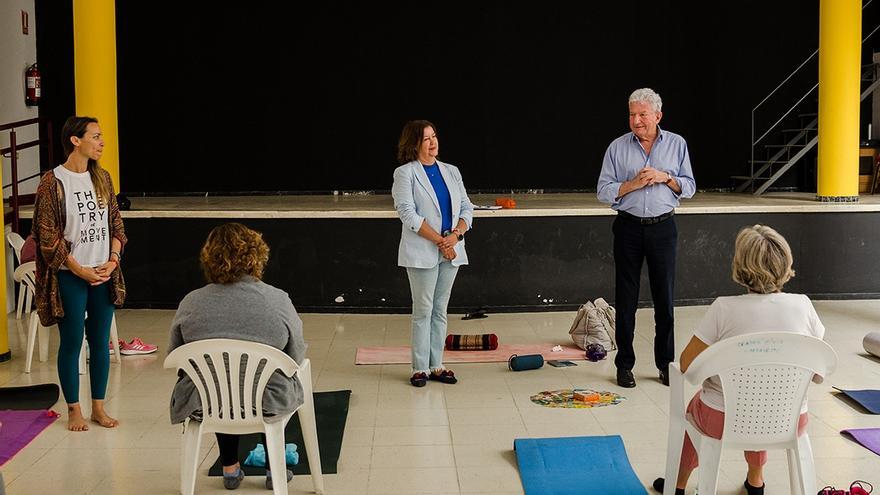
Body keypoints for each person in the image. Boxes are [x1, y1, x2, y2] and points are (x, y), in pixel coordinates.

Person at [653, 225, 825, 495]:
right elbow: (818, 372)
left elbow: (686, 365)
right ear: (785, 261)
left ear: (740, 266)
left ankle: (678, 484)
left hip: (722, 419)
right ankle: (756, 481)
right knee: (760, 401)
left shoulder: (724, 308)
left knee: (701, 405)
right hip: (790, 419)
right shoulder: (803, 305)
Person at [168, 223, 306, 490]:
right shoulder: (277, 300)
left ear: (209, 258)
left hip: (206, 402)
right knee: (263, 380)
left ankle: (230, 469)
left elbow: (176, 357)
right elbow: (295, 356)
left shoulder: (191, 303)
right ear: (257, 255)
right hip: (267, 401)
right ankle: (272, 470)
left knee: (220, 378)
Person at [597, 88, 696, 388]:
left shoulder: (677, 144)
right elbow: (603, 192)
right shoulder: (616, 147)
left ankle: (666, 366)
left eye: (642, 114)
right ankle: (624, 365)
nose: (636, 120)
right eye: (632, 114)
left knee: (664, 301)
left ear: (658, 116)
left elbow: (689, 187)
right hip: (628, 228)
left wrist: (666, 177)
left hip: (663, 228)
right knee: (625, 301)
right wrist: (632, 184)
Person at [32, 116, 127, 432]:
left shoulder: (102, 178)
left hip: (102, 273)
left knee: (100, 342)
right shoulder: (53, 182)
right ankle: (74, 408)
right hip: (70, 275)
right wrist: (79, 270)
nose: (101, 142)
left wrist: (112, 261)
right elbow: (48, 237)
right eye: (96, 136)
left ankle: (98, 407)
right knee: (72, 342)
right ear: (75, 140)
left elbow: (116, 224)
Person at [391, 120, 474, 387]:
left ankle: (437, 364)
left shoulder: (451, 171)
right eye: (426, 138)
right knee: (423, 310)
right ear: (414, 143)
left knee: (440, 309)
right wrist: (441, 241)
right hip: (424, 250)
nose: (433, 142)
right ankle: (419, 368)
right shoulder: (405, 173)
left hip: (452, 249)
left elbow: (466, 209)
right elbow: (407, 214)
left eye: (434, 136)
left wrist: (456, 236)